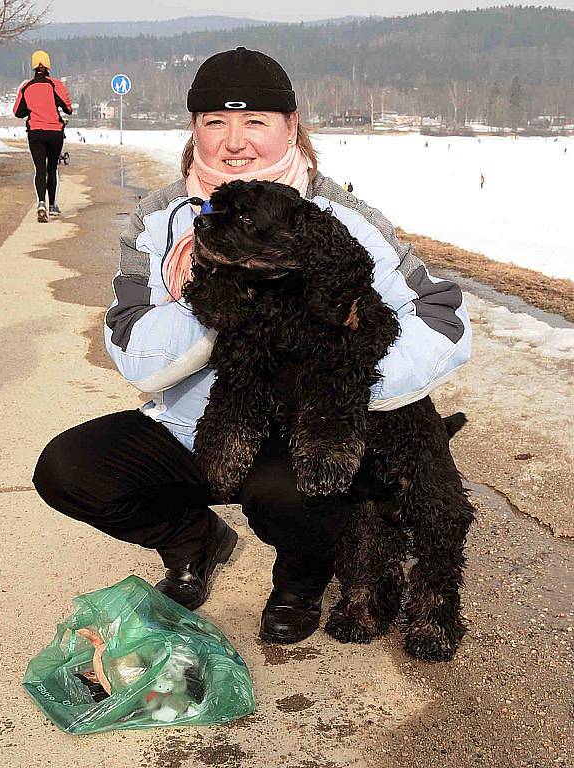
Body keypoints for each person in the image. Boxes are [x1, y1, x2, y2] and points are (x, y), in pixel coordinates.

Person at [33, 47, 471, 645]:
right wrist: (216, 306)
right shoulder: (159, 218)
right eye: (215, 122)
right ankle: (195, 541)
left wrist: (332, 386)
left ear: (292, 126)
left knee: (299, 487)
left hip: (301, 436)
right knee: (67, 468)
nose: (234, 142)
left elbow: (442, 319)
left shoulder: (340, 216)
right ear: (195, 132)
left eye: (255, 121)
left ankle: (301, 577)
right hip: (197, 424)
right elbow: (131, 346)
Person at [13, 50, 72, 222]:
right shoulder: (56, 85)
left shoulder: (26, 87)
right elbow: (68, 108)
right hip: (54, 132)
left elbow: (17, 112)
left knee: (39, 170)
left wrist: (31, 110)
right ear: (48, 65)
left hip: (35, 132)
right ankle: (53, 205)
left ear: (33, 66)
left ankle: (41, 203)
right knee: (52, 168)